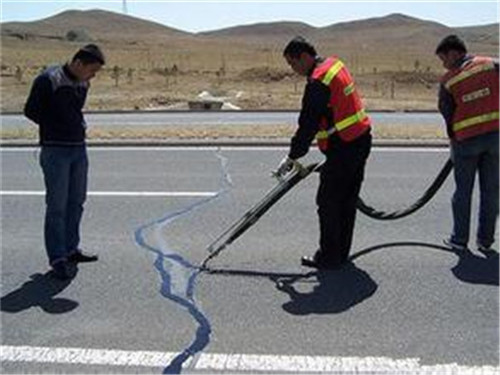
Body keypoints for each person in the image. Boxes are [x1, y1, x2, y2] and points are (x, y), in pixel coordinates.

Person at [275, 36, 372, 269]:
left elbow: (308, 123)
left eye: (293, 63)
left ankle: (329, 257)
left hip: (344, 147)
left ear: (305, 57)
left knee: (328, 202)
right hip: (360, 139)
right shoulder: (334, 64)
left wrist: (293, 156)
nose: (293, 69)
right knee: (346, 202)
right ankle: (340, 254)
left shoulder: (318, 82)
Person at [24, 44, 106, 279]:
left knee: (76, 201)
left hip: (78, 149)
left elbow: (76, 109)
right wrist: (56, 126)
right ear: (78, 63)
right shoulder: (49, 79)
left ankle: (71, 249)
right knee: (57, 206)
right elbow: (31, 111)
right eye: (92, 70)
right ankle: (57, 257)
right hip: (55, 151)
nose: (93, 76)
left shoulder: (83, 82)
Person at [435, 35, 499, 252]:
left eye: (443, 59)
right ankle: (485, 241)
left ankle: (459, 240)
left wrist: (453, 143)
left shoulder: (448, 80)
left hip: (466, 144)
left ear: (454, 53)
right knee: (491, 192)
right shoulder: (492, 65)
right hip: (495, 140)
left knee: (463, 192)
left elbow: (446, 112)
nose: (443, 64)